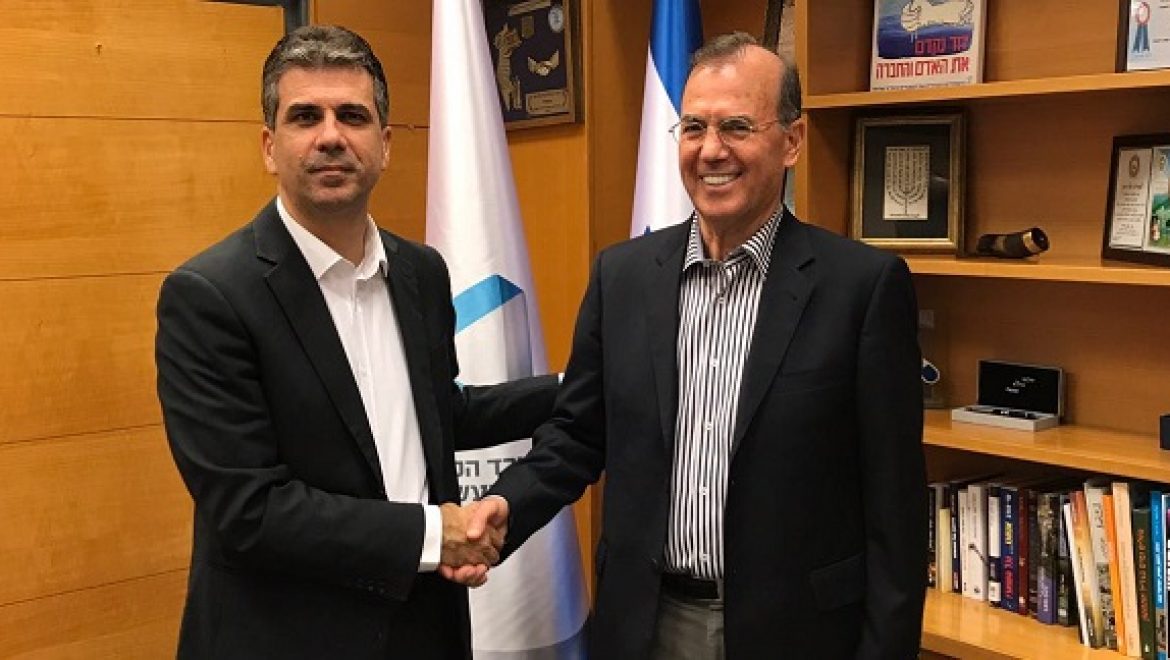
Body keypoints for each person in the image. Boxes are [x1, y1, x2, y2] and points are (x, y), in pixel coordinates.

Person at [465, 32, 927, 659]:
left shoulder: (863, 288)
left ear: (791, 141)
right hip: (646, 624)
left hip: (798, 632)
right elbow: (577, 433)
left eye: (737, 126)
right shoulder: (621, 277)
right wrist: (505, 506)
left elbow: (896, 509)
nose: (711, 150)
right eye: (693, 128)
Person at [155, 25, 556, 660]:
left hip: (425, 627)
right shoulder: (209, 296)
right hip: (286, 639)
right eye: (305, 116)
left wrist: (571, 387)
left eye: (352, 115)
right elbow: (250, 510)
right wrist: (436, 533)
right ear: (269, 146)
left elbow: (437, 417)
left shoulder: (421, 273)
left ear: (385, 144)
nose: (330, 136)